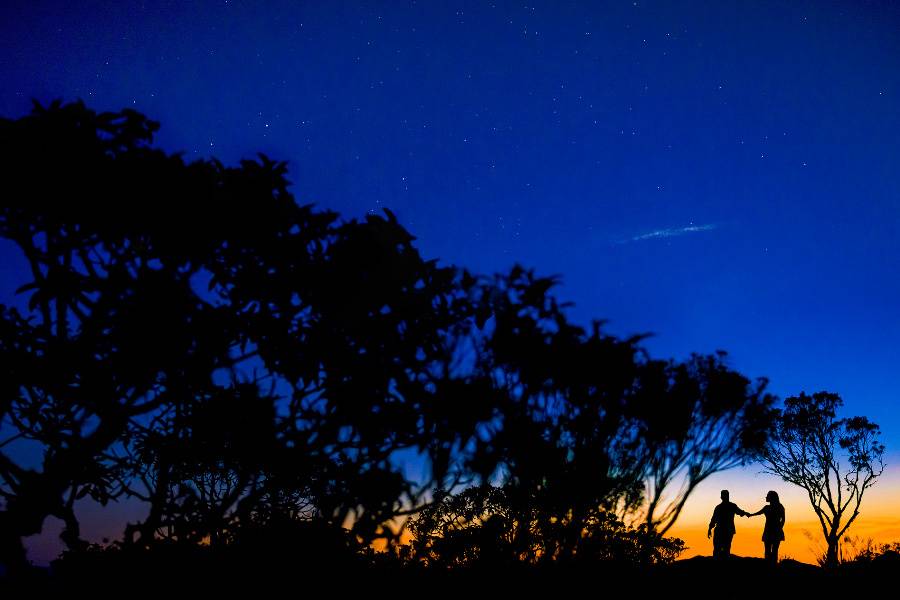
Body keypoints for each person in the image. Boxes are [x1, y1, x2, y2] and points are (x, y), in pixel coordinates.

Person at [745, 490, 786, 565]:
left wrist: (750, 515)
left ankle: (770, 565)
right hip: (774, 531)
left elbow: (783, 520)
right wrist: (779, 528)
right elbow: (783, 520)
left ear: (772, 497)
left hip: (771, 531)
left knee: (769, 550)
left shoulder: (772, 507)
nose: (766, 497)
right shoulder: (777, 507)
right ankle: (772, 565)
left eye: (767, 496)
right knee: (773, 550)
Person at [708, 490, 749, 558]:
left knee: (719, 549)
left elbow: (713, 519)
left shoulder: (720, 507)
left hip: (722, 530)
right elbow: (740, 512)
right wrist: (746, 513)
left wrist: (709, 529)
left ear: (721, 497)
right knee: (724, 549)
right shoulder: (730, 506)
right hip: (725, 530)